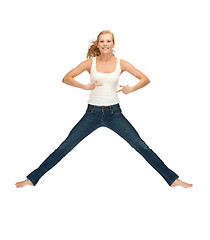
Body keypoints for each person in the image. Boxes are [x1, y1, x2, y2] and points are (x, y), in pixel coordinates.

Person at [15, 30, 193, 188]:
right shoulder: (89, 63)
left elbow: (145, 79)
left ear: (113, 44)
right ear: (98, 45)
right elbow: (66, 78)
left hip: (114, 114)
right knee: (64, 147)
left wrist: (131, 89)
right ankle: (32, 179)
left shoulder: (121, 63)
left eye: (108, 41)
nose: (105, 44)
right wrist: (85, 87)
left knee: (141, 146)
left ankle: (172, 179)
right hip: (91, 114)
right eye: (102, 41)